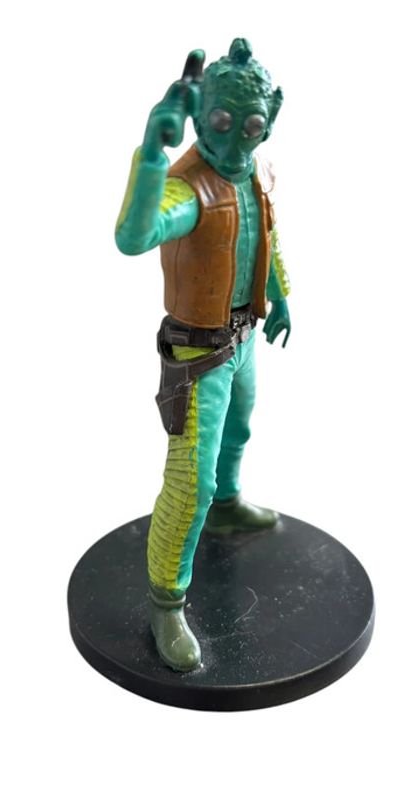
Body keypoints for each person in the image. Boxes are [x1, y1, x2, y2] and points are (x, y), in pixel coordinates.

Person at [115, 38, 291, 671]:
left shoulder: (257, 174)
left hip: (242, 339)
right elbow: (134, 235)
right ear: (198, 116)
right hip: (199, 354)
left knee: (238, 433)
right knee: (190, 480)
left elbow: (267, 238)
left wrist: (280, 296)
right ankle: (167, 601)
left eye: (252, 126)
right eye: (221, 122)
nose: (237, 141)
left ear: (271, 119)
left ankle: (228, 507)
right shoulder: (188, 190)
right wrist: (151, 155)